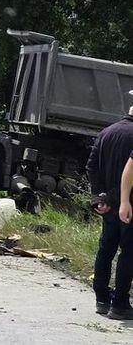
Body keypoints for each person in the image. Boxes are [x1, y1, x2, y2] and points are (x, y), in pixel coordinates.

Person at [98, 96, 133, 318]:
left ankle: (102, 299)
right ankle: (119, 303)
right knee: (128, 253)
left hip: (110, 205)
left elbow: (92, 167)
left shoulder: (106, 132)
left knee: (106, 251)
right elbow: (128, 170)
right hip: (127, 205)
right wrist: (124, 200)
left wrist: (98, 199)